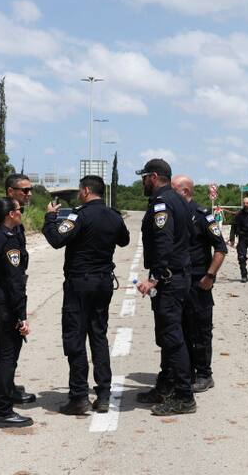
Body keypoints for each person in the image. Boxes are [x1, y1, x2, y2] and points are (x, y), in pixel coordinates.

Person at [42, 175, 130, 416]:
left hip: (80, 283)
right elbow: (125, 240)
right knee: (98, 336)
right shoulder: (113, 215)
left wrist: (50, 217)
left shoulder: (78, 215)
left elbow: (57, 239)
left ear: (86, 191)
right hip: (103, 283)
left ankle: (79, 396)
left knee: (75, 337)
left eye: (81, 190)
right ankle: (103, 395)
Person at [133, 159, 197, 416]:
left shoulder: (162, 203)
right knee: (169, 336)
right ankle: (166, 385)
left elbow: (163, 241)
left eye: (144, 177)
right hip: (180, 276)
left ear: (154, 176)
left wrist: (156, 277)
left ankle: (184, 396)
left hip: (169, 280)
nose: (143, 182)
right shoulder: (179, 200)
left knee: (172, 338)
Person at [0, 197, 33, 428]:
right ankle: (3, 410)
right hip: (4, 304)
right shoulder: (9, 240)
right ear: (11, 214)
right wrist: (21, 316)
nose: (21, 213)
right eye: (19, 210)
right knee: (7, 356)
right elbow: (15, 281)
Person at [171, 174, 228, 392]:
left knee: (201, 331)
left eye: (174, 189)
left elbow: (221, 248)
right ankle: (188, 372)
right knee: (182, 329)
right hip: (179, 281)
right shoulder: (173, 213)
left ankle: (205, 374)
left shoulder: (202, 215)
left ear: (185, 191)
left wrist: (210, 276)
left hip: (198, 282)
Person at [2, 173, 37, 405]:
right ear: (10, 192)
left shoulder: (14, 220)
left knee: (6, 348)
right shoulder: (5, 220)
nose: (29, 194)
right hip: (7, 296)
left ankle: (3, 389)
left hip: (6, 293)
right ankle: (2, 397)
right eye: (24, 190)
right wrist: (20, 312)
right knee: (7, 349)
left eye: (30, 189)